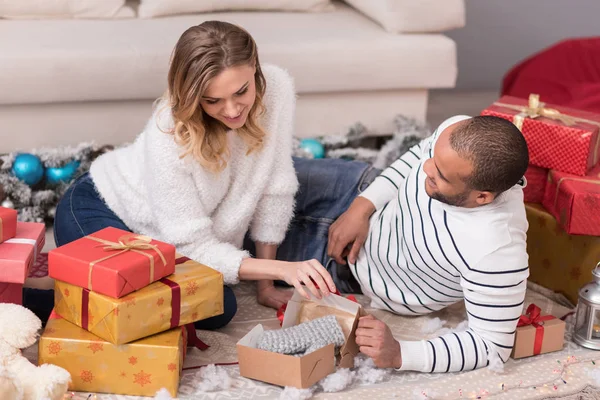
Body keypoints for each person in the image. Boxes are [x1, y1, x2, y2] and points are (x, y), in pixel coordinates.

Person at [50, 21, 341, 330]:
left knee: (218, 307)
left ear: (254, 68)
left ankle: (74, 283)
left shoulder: (276, 88)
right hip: (102, 209)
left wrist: (266, 284)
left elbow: (274, 183)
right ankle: (38, 294)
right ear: (191, 95)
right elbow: (191, 246)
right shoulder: (169, 134)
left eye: (241, 91)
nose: (231, 111)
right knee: (189, 302)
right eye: (212, 100)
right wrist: (283, 269)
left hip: (161, 239)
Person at [326, 115, 530, 372]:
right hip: (362, 193)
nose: (426, 168)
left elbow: (491, 346)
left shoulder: (497, 250)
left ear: (481, 197)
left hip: (351, 269)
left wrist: (400, 354)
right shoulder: (457, 133)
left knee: (262, 244)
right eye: (433, 156)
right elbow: (415, 157)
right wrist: (361, 206)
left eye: (440, 175)